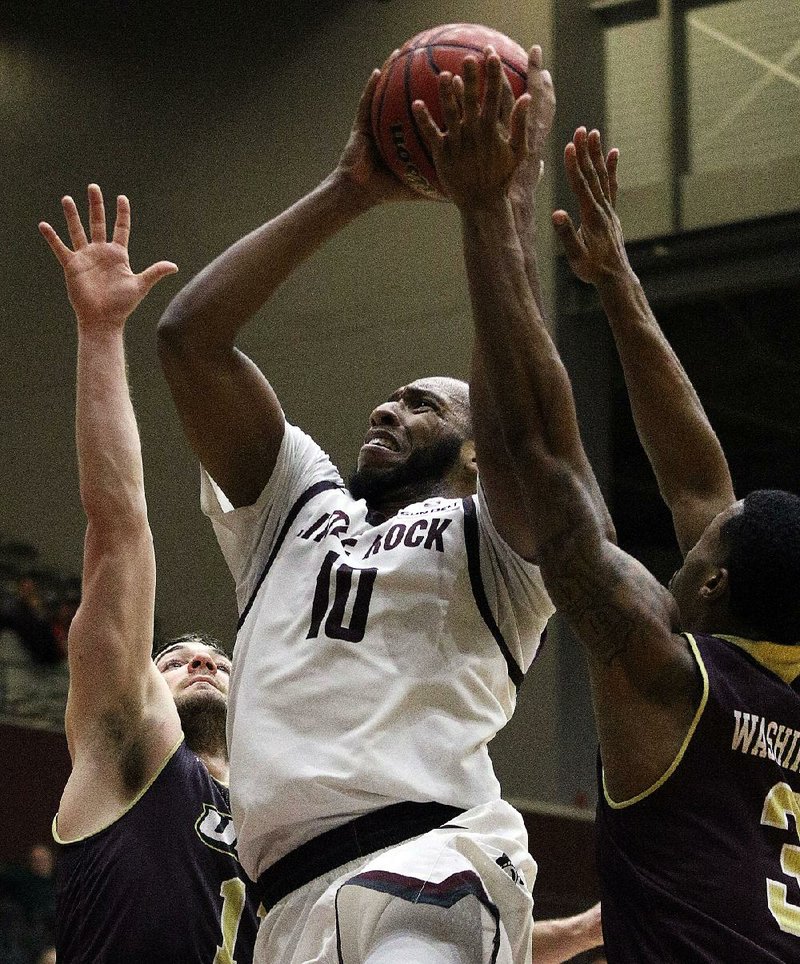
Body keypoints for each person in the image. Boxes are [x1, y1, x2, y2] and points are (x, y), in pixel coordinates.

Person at [156, 46, 572, 963]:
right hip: (290, 907)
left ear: (473, 449)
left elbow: (525, 429)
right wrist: (349, 186)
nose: (388, 407)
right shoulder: (294, 505)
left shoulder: (496, 544)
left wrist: (494, 213)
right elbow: (191, 340)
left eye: (425, 403)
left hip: (432, 865)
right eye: (390, 397)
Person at [414, 47, 800, 962]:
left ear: (711, 589)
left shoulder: (667, 677)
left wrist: (490, 216)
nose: (690, 542)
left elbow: (544, 460)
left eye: (703, 550)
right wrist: (616, 284)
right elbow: (701, 488)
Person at [39, 186, 260, 963]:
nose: (200, 659)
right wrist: (100, 333)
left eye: (220, 661)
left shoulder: (295, 819)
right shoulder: (130, 745)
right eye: (174, 660)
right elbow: (119, 524)